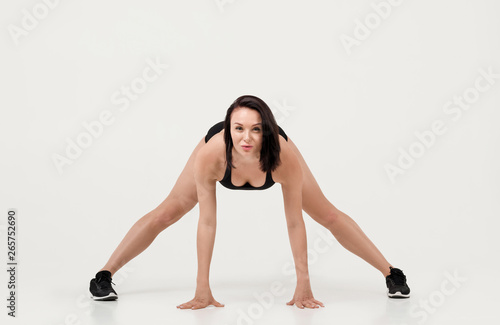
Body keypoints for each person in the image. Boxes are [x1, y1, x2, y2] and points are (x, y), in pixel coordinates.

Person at [89, 95, 410, 309]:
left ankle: (392, 273)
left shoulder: (284, 158)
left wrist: (304, 285)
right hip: (218, 165)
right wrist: (203, 288)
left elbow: (295, 221)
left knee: (328, 215)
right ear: (228, 131)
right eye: (238, 129)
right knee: (167, 212)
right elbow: (208, 221)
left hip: (275, 164)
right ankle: (104, 276)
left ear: (266, 132)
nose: (246, 137)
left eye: (255, 130)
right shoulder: (210, 155)